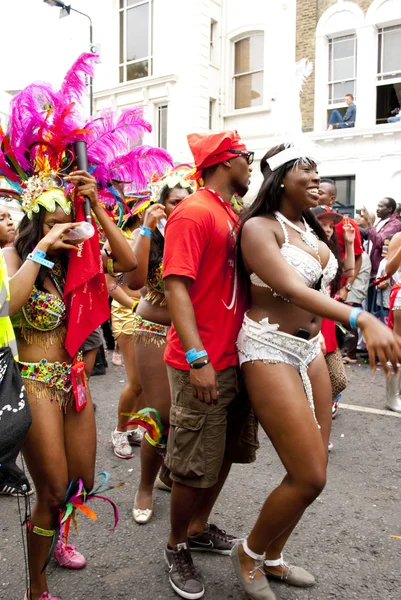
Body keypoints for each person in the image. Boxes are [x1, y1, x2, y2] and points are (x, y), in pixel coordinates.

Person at [0, 53, 171, 600]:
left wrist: (96, 210)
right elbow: (10, 304)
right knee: (49, 488)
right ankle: (36, 580)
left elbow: (136, 273)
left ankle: (57, 531)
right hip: (34, 379)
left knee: (77, 482)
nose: (64, 231)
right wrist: (44, 252)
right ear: (34, 223)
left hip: (74, 380)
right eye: (52, 225)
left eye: (66, 222)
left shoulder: (84, 254)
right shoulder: (13, 255)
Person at [231, 142, 401, 600]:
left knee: (315, 467)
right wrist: (361, 317)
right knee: (309, 474)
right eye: (305, 170)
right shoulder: (258, 228)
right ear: (280, 177)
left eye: (317, 170)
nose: (316, 179)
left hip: (312, 351)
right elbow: (287, 286)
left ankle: (273, 555)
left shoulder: (306, 227)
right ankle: (248, 552)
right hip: (268, 347)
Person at [162, 130, 259, 599]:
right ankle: (176, 543)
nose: (251, 164)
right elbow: (176, 285)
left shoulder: (230, 212)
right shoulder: (195, 211)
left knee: (220, 455)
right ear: (226, 161)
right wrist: (198, 358)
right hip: (201, 361)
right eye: (247, 156)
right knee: (191, 463)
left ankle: (198, 527)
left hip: (234, 357)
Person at [125, 175, 194, 523]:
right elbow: (134, 281)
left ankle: (169, 475)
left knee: (189, 416)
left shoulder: (196, 233)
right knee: (159, 415)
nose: (179, 206)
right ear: (160, 205)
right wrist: (148, 229)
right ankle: (145, 486)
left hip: (193, 334)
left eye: (186, 200)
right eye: (172, 201)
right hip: (154, 331)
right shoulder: (150, 236)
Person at [310, 206, 354, 424]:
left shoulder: (329, 249)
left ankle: (315, 415)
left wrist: (349, 242)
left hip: (326, 320)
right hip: (308, 322)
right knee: (310, 380)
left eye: (330, 225)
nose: (328, 229)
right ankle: (311, 422)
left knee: (337, 379)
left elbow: (348, 273)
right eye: (323, 224)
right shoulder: (304, 248)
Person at [108, 204, 144, 459]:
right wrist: (134, 305)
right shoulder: (119, 242)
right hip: (128, 315)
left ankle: (134, 426)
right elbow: (109, 283)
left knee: (147, 382)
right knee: (136, 382)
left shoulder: (149, 238)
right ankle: (120, 431)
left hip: (150, 315)